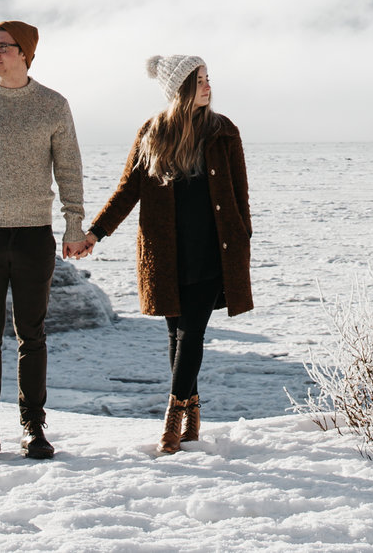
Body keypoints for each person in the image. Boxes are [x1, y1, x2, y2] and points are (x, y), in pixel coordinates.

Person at [84, 52, 253, 455]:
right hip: (166, 253)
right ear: (181, 88)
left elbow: (240, 194)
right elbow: (128, 190)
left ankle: (172, 417)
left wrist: (242, 238)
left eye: (209, 78)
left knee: (192, 333)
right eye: (200, 80)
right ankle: (193, 411)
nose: (209, 86)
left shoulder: (224, 131)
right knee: (176, 336)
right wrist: (95, 232)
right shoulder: (153, 132)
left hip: (214, 251)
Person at [0, 19, 94, 464]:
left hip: (33, 235)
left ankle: (33, 430)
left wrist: (72, 225)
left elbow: (69, 170)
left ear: (26, 53)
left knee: (32, 334)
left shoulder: (52, 105)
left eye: (4, 47)